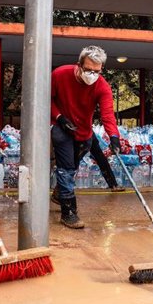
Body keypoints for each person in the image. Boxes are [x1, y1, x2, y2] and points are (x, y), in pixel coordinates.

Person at [50, 46, 121, 229]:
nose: (92, 74)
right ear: (79, 65)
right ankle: (69, 213)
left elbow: (107, 114)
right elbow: (46, 98)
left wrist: (113, 136)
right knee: (65, 169)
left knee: (71, 169)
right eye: (88, 69)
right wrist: (59, 117)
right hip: (61, 127)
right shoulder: (59, 74)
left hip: (84, 133)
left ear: (101, 69)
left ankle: (59, 193)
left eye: (96, 71)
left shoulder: (102, 86)